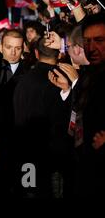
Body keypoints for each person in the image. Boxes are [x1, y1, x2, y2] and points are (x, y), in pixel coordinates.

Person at [49, 13, 105, 197]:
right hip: (82, 167)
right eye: (87, 41)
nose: (91, 48)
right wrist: (69, 89)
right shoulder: (85, 76)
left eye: (99, 40)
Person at [13, 37, 70, 198]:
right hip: (51, 159)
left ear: (37, 53)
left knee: (29, 192)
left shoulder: (22, 80)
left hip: (26, 155)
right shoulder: (63, 81)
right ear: (59, 54)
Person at [0, 29, 28, 196]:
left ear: (23, 48)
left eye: (17, 48)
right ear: (1, 46)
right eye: (9, 47)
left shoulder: (30, 73)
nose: (13, 52)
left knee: (26, 190)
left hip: (25, 146)